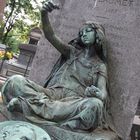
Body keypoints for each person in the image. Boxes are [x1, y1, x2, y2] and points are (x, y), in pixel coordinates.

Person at [1, 0, 110, 132]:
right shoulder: (72, 52)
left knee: (95, 105)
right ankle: (36, 107)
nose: (84, 34)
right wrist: (44, 14)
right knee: (14, 81)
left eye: (88, 31)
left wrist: (97, 93)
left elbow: (102, 93)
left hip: (73, 102)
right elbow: (50, 35)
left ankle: (27, 105)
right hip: (50, 94)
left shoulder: (100, 65)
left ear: (98, 34)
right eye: (81, 33)